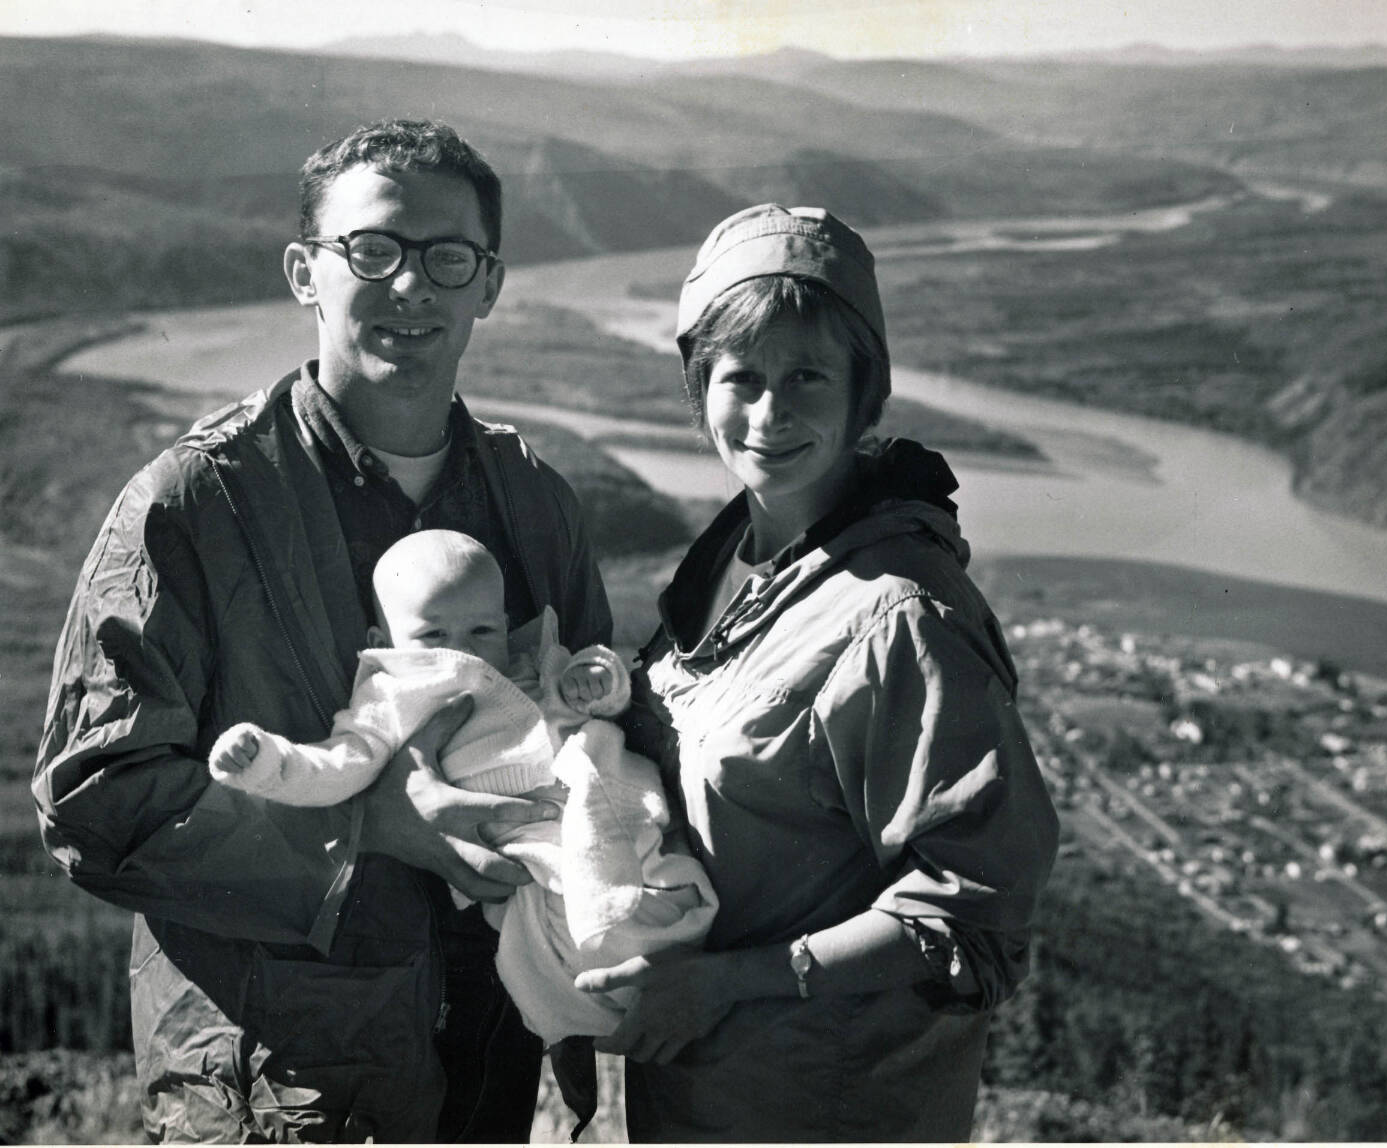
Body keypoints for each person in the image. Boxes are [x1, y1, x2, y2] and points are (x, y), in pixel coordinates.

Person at [33, 119, 610, 1142]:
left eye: (448, 256)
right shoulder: (194, 504)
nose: (411, 285)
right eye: (373, 249)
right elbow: (95, 798)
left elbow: (588, 749)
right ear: (306, 272)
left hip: (486, 1067)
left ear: (491, 283)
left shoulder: (534, 503)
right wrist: (365, 827)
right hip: (272, 1094)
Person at [576, 204, 1061, 1142]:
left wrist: (723, 982)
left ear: (863, 394)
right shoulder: (734, 559)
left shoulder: (901, 614)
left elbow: (976, 913)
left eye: (807, 376)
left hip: (825, 1106)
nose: (769, 413)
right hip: (701, 1092)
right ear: (698, 388)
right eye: (741, 376)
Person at [209, 529, 716, 1047]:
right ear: (383, 642)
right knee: (563, 950)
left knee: (662, 891)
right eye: (433, 636)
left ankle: (666, 971)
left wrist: (595, 677)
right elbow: (341, 764)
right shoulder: (390, 694)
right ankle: (612, 1007)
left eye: (481, 630)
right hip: (527, 856)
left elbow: (585, 697)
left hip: (599, 806)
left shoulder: (522, 665)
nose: (463, 652)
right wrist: (269, 762)